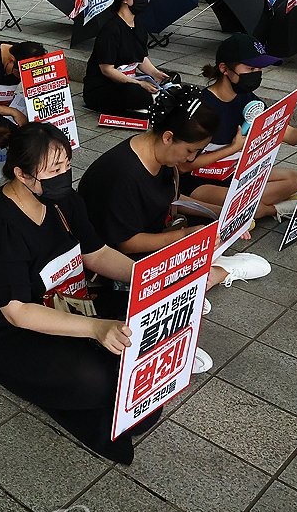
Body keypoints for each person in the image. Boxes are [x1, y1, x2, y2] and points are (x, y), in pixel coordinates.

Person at [0, 122, 152, 464]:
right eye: (53, 170)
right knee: (96, 381)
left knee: (141, 327)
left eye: (66, 166)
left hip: (72, 303)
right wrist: (97, 328)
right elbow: (17, 311)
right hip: (9, 332)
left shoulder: (64, 200)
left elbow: (95, 253)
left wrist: (146, 275)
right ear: (21, 174)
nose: (63, 176)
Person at [77, 84, 273, 370]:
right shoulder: (122, 174)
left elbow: (172, 200)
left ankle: (208, 273)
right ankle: (217, 272)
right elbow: (126, 243)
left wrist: (223, 217)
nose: (192, 159)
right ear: (168, 137)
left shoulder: (160, 157)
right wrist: (186, 237)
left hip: (156, 240)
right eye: (191, 151)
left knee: (197, 251)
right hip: (111, 266)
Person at [184, 33, 297, 219]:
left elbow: (292, 135)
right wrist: (233, 149)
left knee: (294, 179)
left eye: (259, 69)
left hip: (234, 176)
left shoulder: (249, 101)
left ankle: (255, 210)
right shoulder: (203, 107)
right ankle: (274, 209)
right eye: (251, 68)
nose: (256, 74)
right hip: (200, 182)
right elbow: (183, 167)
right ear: (224, 69)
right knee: (245, 203)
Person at [82, 0, 173, 115]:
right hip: (103, 87)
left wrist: (156, 74)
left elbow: (140, 58)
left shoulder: (139, 26)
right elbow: (107, 70)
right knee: (137, 94)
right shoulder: (111, 29)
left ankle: (155, 98)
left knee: (171, 77)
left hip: (128, 80)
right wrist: (138, 83)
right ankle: (151, 100)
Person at [0, 40, 46, 129]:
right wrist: (13, 112)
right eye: (19, 74)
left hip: (9, 101)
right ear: (11, 61)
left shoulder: (22, 53)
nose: (21, 79)